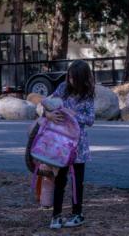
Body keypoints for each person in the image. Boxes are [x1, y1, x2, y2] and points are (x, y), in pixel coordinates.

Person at [44, 60, 95, 229]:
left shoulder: (87, 95)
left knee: (77, 181)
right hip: (61, 142)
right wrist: (48, 114)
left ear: (81, 78)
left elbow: (90, 120)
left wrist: (74, 115)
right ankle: (56, 215)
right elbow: (47, 104)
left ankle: (77, 213)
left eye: (74, 78)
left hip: (78, 144)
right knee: (60, 179)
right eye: (69, 77)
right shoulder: (62, 88)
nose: (70, 80)